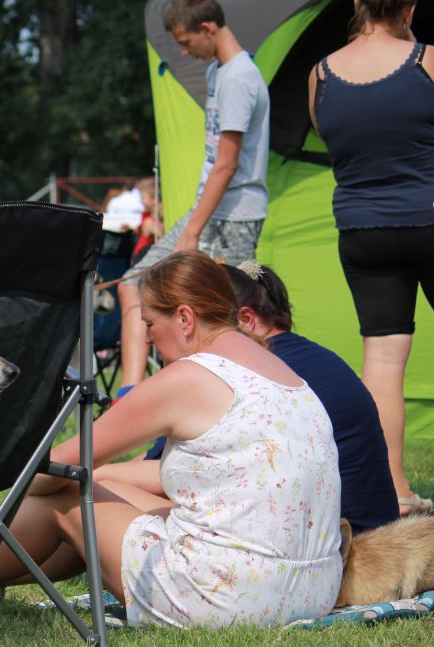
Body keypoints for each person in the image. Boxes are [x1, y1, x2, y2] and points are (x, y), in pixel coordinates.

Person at [0, 251, 342, 628]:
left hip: (232, 600)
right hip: (311, 589)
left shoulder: (189, 378)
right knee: (101, 490)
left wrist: (44, 482)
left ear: (186, 319)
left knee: (67, 497)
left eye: (149, 324)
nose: (149, 339)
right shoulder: (282, 373)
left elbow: (52, 465)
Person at [307, 0, 434, 516]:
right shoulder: (428, 59)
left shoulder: (321, 74)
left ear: (356, 4)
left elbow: (329, 135)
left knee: (381, 357)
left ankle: (396, 491)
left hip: (363, 228)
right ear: (411, 7)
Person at [99, 261, 399, 535]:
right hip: (368, 537)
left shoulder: (240, 372)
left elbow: (162, 476)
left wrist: (90, 473)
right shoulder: (309, 360)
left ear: (246, 318)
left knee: (95, 494)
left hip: (334, 546)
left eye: (218, 318)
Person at [115, 0, 270, 402]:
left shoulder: (239, 77)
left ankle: (241, 397)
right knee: (134, 282)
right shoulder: (218, 71)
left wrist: (192, 231)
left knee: (230, 311)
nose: (184, 52)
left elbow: (228, 164)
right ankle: (130, 394)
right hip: (208, 210)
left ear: (207, 27)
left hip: (235, 216)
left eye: (186, 42)